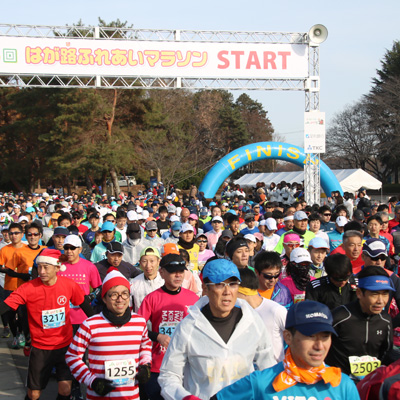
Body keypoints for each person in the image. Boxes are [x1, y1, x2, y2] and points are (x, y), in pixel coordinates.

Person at [158, 258, 275, 400]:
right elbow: (169, 375)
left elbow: (268, 367)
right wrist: (184, 397)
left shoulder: (252, 321)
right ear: (206, 288)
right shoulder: (188, 327)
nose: (227, 292)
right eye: (219, 285)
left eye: (232, 284)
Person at [211, 300, 359, 400]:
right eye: (311, 336)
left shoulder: (343, 385)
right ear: (288, 337)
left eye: (325, 337)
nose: (319, 346)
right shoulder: (261, 382)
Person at [0, 248, 94, 400]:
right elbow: (6, 306)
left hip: (65, 346)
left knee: (65, 390)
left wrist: (101, 326)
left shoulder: (69, 285)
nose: (42, 271)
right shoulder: (28, 288)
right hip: (40, 348)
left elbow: (86, 306)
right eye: (39, 267)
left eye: (46, 267)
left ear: (57, 267)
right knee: (34, 394)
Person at [65, 268, 152, 400]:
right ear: (104, 299)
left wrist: (146, 365)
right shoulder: (90, 324)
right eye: (113, 295)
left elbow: (145, 346)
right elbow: (72, 356)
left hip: (131, 396)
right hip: (99, 396)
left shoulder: (139, 322)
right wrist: (92, 381)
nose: (120, 299)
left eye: (124, 294)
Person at [138, 253, 199, 400]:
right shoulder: (151, 298)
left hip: (187, 366)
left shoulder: (194, 298)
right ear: (162, 273)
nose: (178, 275)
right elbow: (137, 328)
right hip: (159, 365)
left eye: (181, 270)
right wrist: (157, 336)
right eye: (172, 271)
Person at [325, 266, 394, 378]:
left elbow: (386, 352)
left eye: (385, 294)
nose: (381, 301)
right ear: (359, 293)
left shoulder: (385, 320)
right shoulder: (339, 316)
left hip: (369, 384)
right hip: (339, 384)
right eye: (374, 294)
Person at [237, 268, 287, 363]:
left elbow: (296, 339)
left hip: (274, 372)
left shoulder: (276, 310)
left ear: (242, 291)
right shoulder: (237, 313)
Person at [130, 246, 163, 312]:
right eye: (144, 261)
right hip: (141, 321)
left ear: (158, 261)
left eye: (152, 261)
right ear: (140, 262)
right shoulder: (133, 284)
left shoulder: (165, 281)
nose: (148, 265)